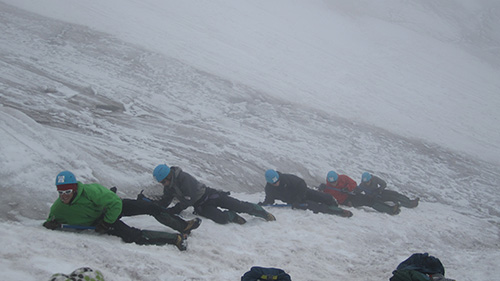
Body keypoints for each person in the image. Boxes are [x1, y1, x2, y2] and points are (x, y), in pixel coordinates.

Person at [43, 171, 201, 251]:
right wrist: (50, 224)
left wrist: (107, 222)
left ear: (75, 188)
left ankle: (183, 226)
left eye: (67, 191)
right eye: (61, 192)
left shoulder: (92, 192)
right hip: (100, 221)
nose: (64, 196)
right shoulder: (59, 208)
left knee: (151, 207)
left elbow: (115, 204)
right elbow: (51, 220)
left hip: (112, 209)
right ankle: (176, 239)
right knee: (133, 236)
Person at [150, 164, 276, 224]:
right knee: (220, 218)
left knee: (239, 205)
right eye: (161, 182)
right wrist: (154, 206)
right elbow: (165, 200)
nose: (163, 184)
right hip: (201, 206)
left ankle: (263, 213)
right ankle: (231, 216)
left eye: (164, 181)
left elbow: (189, 198)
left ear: (169, 175)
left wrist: (175, 209)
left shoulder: (183, 178)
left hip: (210, 195)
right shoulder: (169, 186)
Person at [260, 169, 353, 217]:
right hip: (297, 202)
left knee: (323, 197)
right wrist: (263, 204)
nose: (277, 184)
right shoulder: (269, 189)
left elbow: (301, 183)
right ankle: (340, 212)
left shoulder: (286, 178)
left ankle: (333, 202)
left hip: (303, 192)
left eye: (277, 181)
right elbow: (269, 199)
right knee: (316, 207)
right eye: (274, 183)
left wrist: (299, 197)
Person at [319, 171, 400, 215]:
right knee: (367, 202)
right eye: (332, 182)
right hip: (346, 201)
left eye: (335, 182)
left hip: (351, 194)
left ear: (337, 178)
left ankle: (390, 208)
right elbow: (323, 197)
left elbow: (353, 183)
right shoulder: (327, 188)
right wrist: (320, 190)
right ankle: (391, 210)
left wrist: (347, 188)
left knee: (369, 199)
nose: (334, 184)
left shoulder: (343, 178)